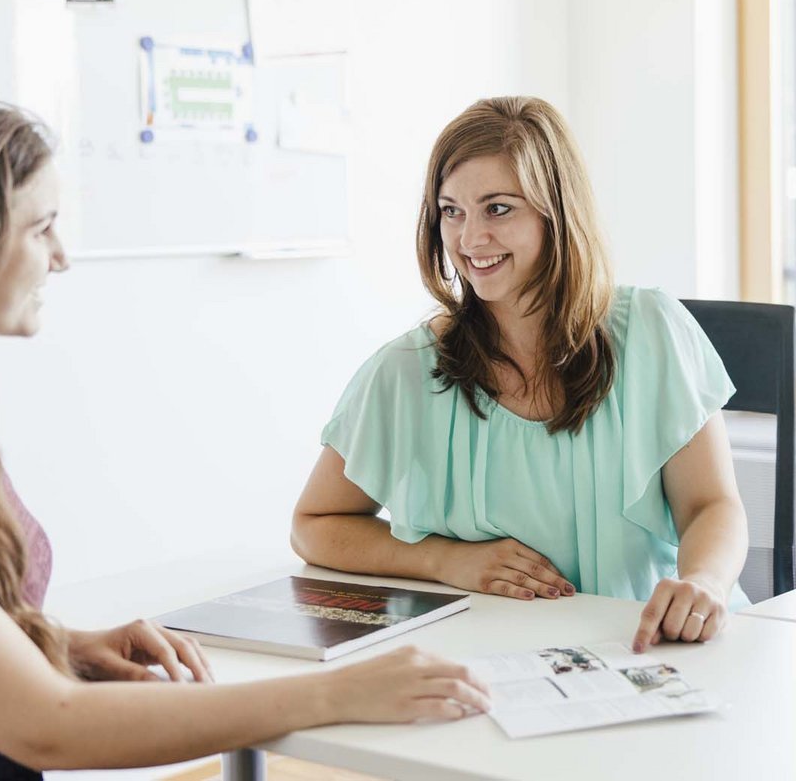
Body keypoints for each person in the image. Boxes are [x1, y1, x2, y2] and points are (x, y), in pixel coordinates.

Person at [0, 92, 489, 780]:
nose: (62, 256)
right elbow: (48, 725)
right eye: (40, 226)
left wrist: (62, 644)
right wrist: (338, 692)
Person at [292, 96, 749, 654]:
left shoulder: (654, 331)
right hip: (502, 663)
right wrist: (442, 559)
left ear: (556, 213)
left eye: (498, 208)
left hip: (657, 648)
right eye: (451, 210)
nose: (469, 239)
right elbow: (313, 525)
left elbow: (712, 506)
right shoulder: (407, 370)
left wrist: (703, 582)